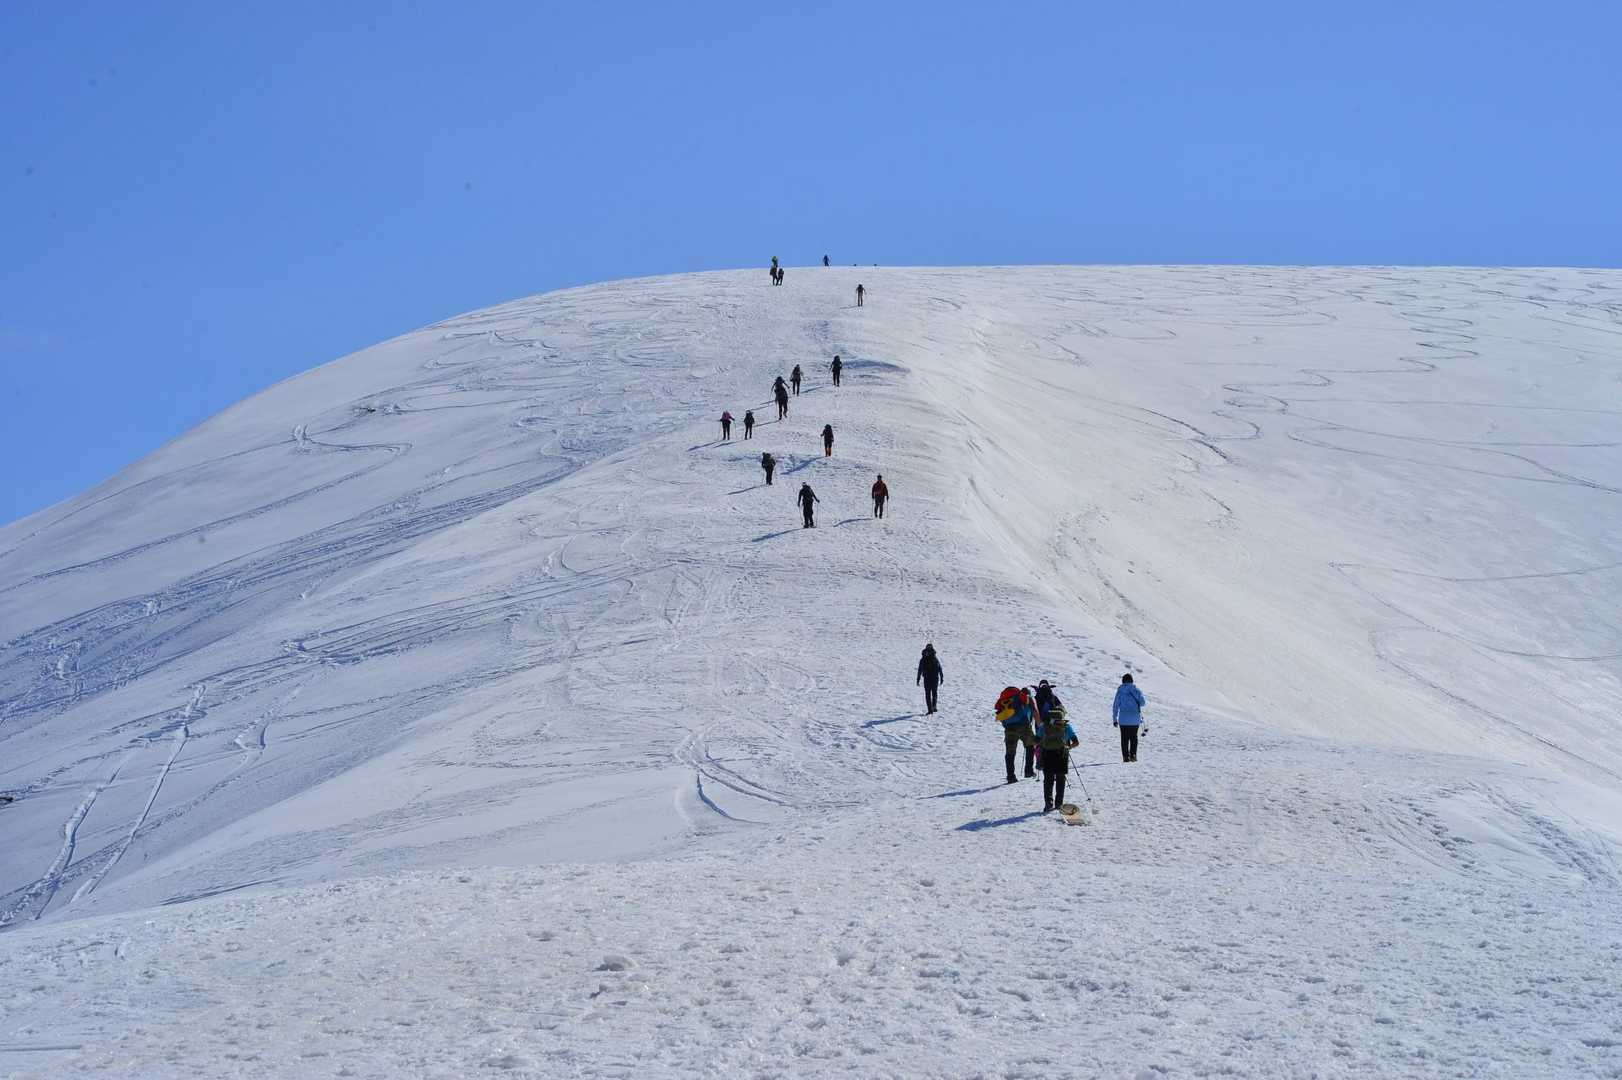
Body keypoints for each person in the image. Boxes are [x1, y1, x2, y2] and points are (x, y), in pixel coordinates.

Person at [1034, 700, 1079, 813]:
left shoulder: (1044, 726)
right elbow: (1076, 742)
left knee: (1048, 780)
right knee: (1060, 780)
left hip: (1047, 754)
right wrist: (1068, 747)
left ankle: (1048, 804)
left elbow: (1036, 740)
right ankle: (1059, 803)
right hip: (1061, 755)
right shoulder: (1066, 726)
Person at [994, 686, 1038, 783]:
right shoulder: (1026, 699)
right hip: (1023, 726)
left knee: (1010, 752)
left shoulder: (1007, 700)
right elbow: (1034, 712)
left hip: (1009, 728)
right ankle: (1028, 771)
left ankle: (1011, 776)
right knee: (1030, 745)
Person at [1112, 673, 1146, 763]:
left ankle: (1125, 757)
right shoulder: (1136, 690)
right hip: (1134, 719)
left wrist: (1115, 719)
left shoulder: (1120, 691)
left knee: (1124, 738)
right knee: (1134, 737)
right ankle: (1133, 755)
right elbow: (1143, 703)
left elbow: (1115, 706)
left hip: (1123, 719)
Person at [916, 643, 943, 714]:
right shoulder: (935, 658)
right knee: (934, 693)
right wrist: (941, 677)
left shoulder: (923, 659)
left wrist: (918, 679)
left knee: (928, 694)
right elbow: (940, 668)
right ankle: (934, 707)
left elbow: (920, 669)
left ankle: (930, 709)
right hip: (935, 678)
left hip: (927, 679)